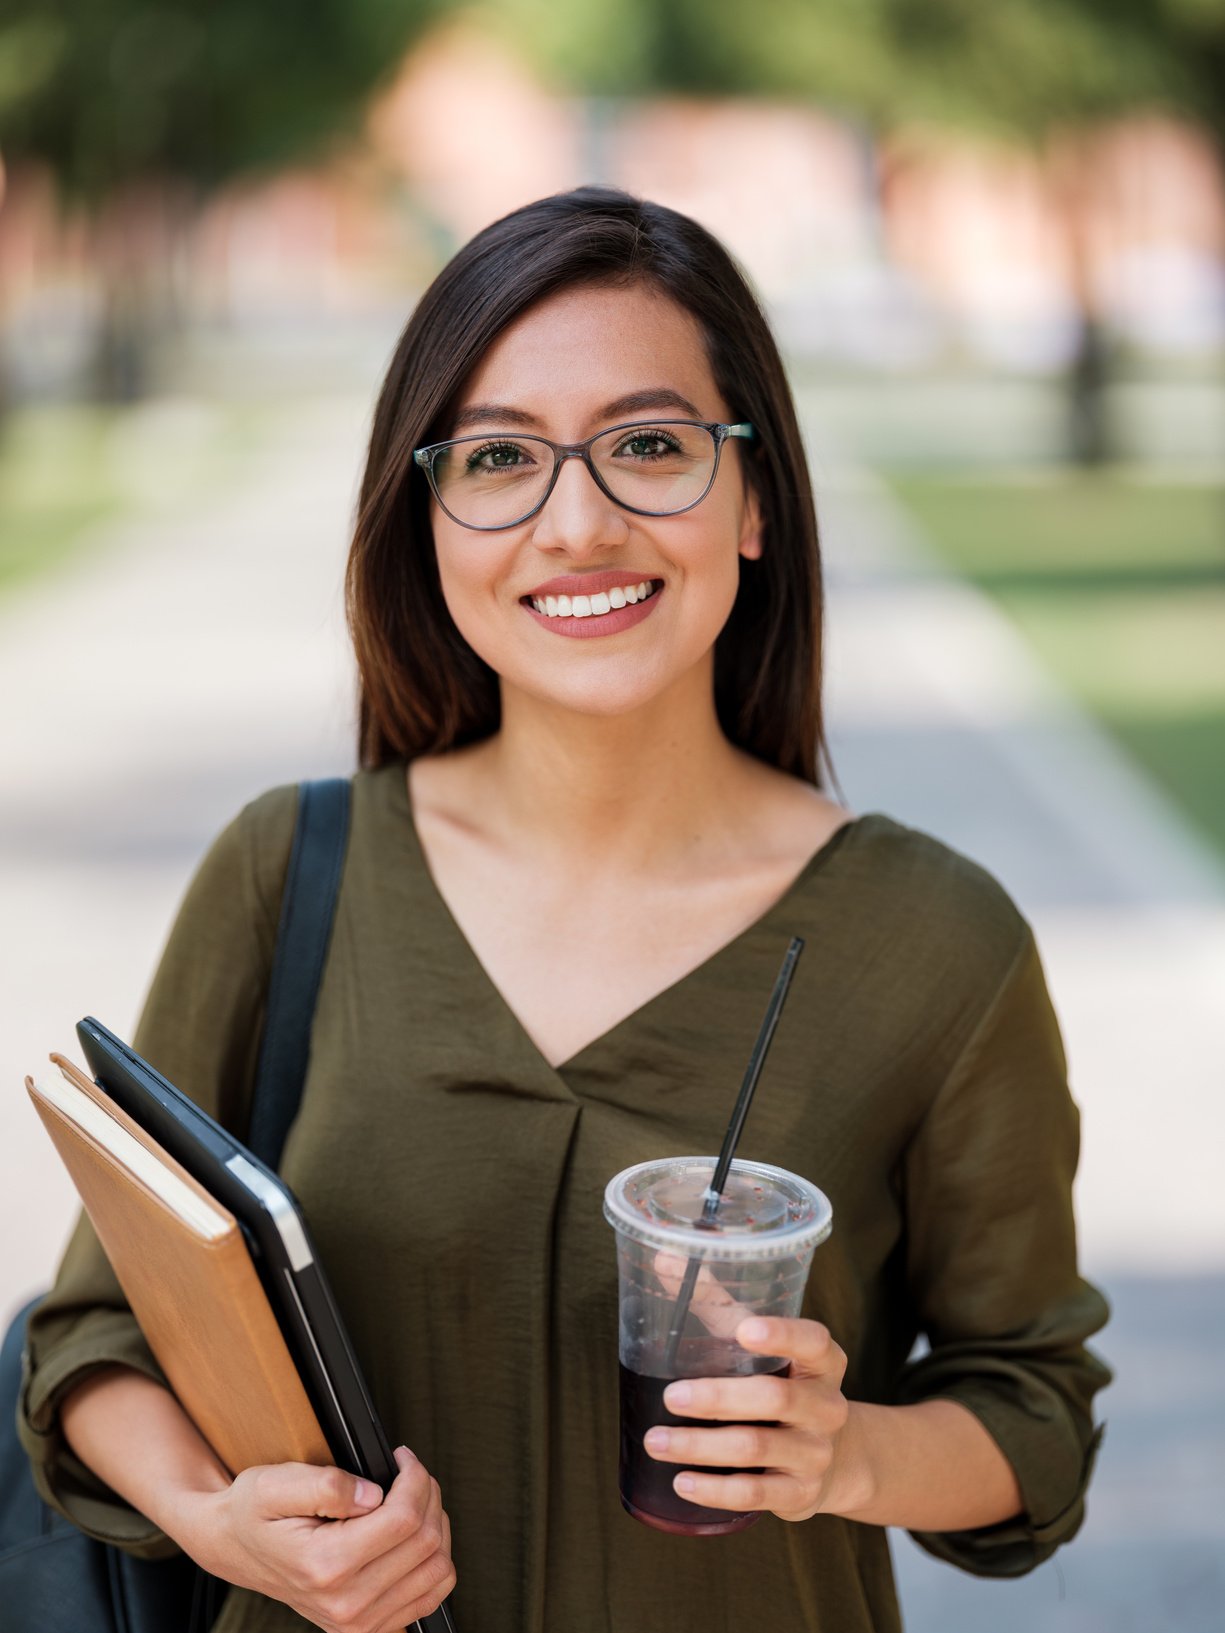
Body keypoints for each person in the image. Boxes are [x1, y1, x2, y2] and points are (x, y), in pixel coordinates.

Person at [20, 186, 1110, 1633]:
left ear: (756, 497)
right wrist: (219, 1523)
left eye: (649, 445)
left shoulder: (937, 942)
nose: (578, 523)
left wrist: (847, 1454)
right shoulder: (288, 870)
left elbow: (1032, 1411)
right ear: (425, 521)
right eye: (498, 459)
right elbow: (97, 1328)